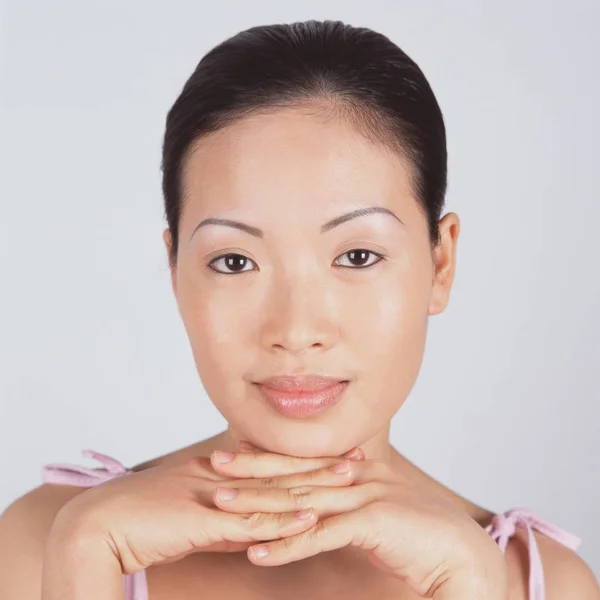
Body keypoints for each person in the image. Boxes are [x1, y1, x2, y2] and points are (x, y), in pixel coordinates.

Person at [1, 19, 598, 600]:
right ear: (176, 272)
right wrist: (83, 567)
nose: (296, 330)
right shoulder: (46, 543)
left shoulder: (537, 584)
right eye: (234, 262)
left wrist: (473, 588)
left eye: (358, 255)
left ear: (441, 263)